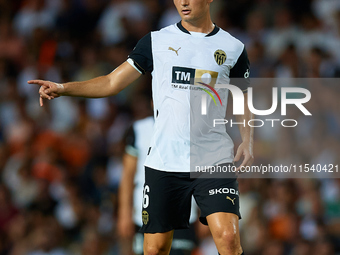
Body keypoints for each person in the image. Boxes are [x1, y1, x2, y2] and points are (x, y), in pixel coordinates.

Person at [28, 0, 254, 254]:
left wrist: (247, 139)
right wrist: (64, 88)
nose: (183, 2)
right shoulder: (156, 41)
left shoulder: (233, 47)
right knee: (155, 248)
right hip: (165, 161)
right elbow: (112, 82)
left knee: (227, 238)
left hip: (213, 159)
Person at [118, 107, 198, 255]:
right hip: (145, 212)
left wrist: (204, 212)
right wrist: (124, 213)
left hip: (185, 211)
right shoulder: (139, 129)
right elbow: (127, 175)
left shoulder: (193, 127)